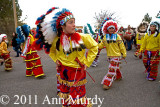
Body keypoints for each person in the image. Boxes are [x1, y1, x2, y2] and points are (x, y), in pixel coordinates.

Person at [34, 7, 98, 106]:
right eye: (71, 22)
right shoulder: (56, 40)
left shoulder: (83, 37)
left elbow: (94, 47)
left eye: (74, 22)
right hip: (63, 71)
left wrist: (87, 62)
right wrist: (56, 60)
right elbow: (51, 51)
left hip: (77, 72)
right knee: (65, 95)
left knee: (77, 98)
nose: (74, 25)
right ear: (62, 26)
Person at [98, 17, 126, 90]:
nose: (111, 30)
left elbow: (121, 45)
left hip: (116, 56)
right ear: (107, 29)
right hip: (109, 56)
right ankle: (119, 76)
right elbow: (100, 45)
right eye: (110, 28)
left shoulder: (117, 36)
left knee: (111, 69)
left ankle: (107, 83)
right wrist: (94, 45)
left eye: (112, 28)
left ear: (115, 29)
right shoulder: (105, 37)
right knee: (115, 68)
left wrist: (124, 53)